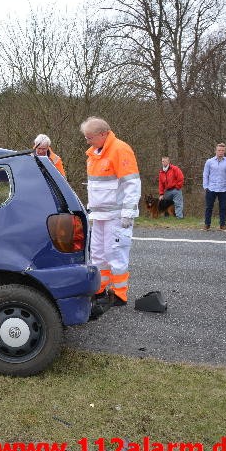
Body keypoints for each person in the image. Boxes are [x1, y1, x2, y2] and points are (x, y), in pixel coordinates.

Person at [81, 116, 140, 311]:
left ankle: (119, 294)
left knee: (116, 254)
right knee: (98, 255)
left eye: (90, 137)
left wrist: (128, 213)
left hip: (116, 215)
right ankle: (100, 290)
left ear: (103, 134)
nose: (87, 141)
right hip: (99, 215)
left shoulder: (120, 149)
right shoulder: (93, 153)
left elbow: (131, 183)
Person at [202, 143, 226, 231]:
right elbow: (205, 174)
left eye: (222, 150)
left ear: (225, 151)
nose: (220, 152)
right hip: (211, 188)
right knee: (209, 207)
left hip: (224, 188)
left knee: (223, 207)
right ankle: (207, 224)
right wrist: (205, 186)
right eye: (219, 150)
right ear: (216, 151)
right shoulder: (209, 161)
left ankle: (222, 225)